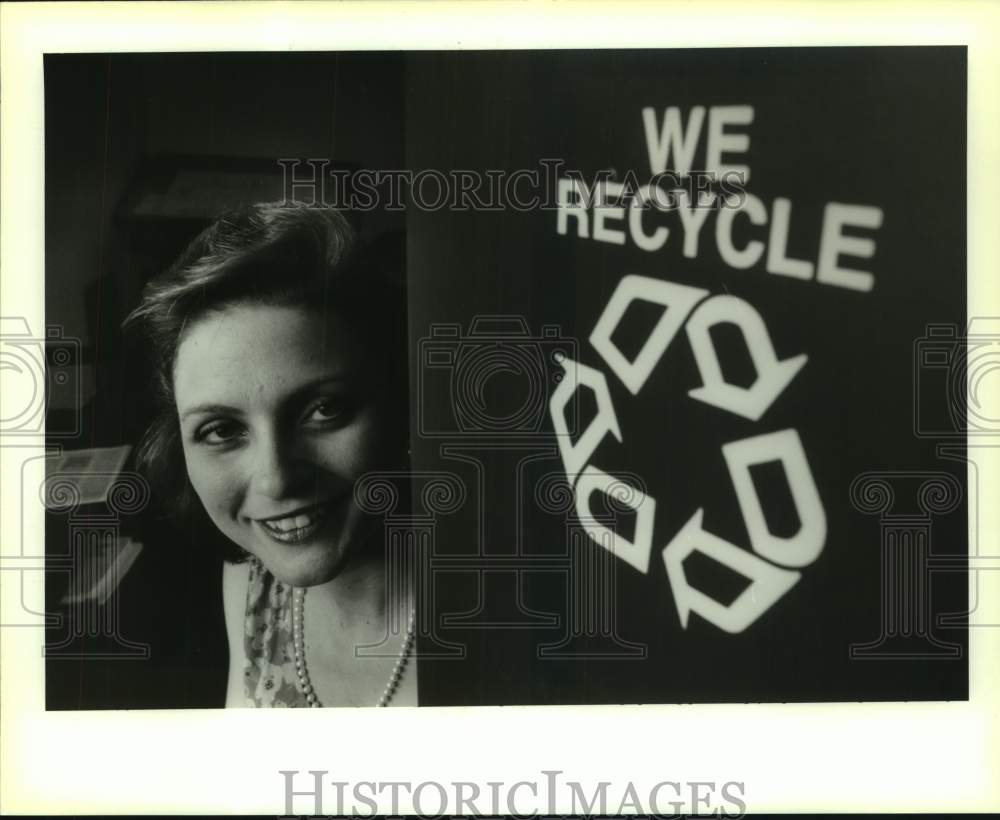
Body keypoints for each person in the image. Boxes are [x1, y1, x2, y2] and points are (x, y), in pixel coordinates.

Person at [125, 201, 415, 707]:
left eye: (323, 409)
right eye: (221, 430)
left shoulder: (495, 618)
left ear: (402, 400)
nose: (276, 480)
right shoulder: (251, 583)